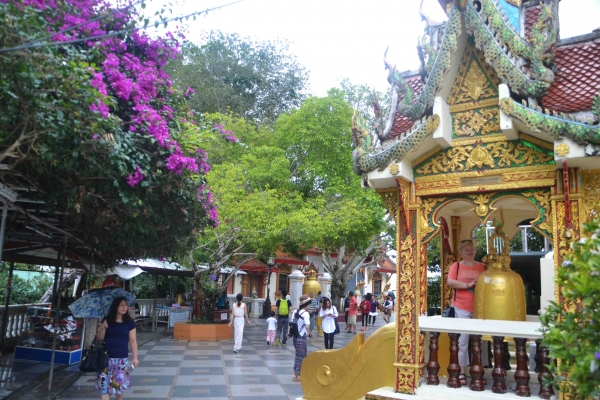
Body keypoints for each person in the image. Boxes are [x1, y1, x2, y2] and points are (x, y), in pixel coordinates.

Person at [447, 238, 486, 386]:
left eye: (472, 249)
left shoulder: (483, 267)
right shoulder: (456, 266)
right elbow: (450, 282)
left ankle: (478, 370)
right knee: (463, 341)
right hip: (461, 306)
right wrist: (468, 284)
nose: (470, 251)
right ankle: (462, 371)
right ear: (461, 252)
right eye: (466, 249)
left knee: (480, 341)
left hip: (480, 307)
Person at [95, 297, 138, 400]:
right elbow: (99, 338)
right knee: (104, 388)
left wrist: (135, 357)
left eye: (125, 305)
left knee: (119, 390)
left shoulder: (129, 322)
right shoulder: (107, 320)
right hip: (106, 358)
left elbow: (133, 340)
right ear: (115, 306)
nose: (124, 307)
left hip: (121, 359)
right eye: (121, 305)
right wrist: (102, 328)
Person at [292, 294, 313, 382]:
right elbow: (307, 326)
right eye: (309, 304)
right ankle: (297, 375)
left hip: (295, 336)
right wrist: (310, 332)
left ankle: (299, 373)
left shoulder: (295, 311)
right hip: (301, 336)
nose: (310, 305)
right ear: (307, 304)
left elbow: (292, 323)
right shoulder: (306, 314)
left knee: (299, 354)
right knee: (301, 356)